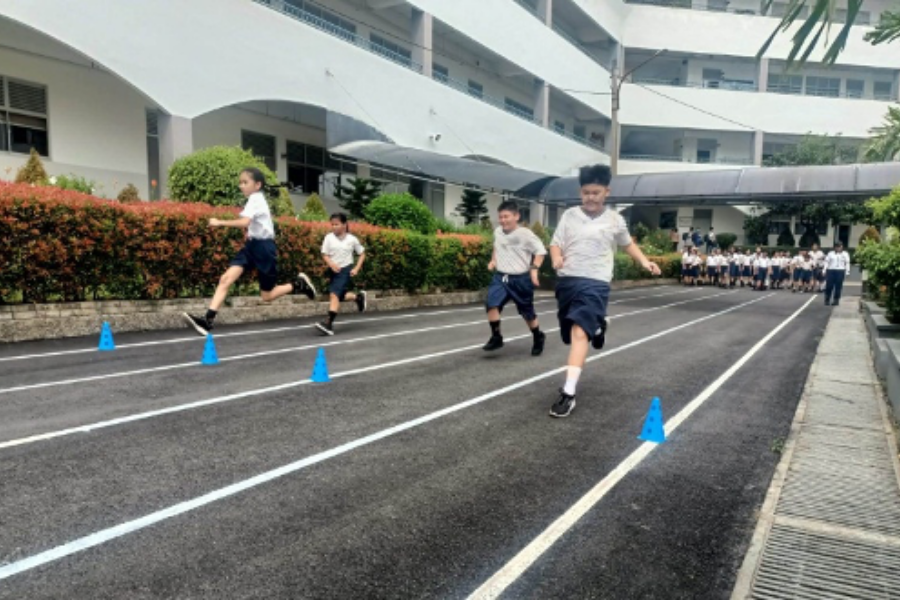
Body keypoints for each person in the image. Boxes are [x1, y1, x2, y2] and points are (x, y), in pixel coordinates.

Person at [548, 164, 661, 418]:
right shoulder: (569, 216)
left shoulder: (614, 220)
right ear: (581, 192)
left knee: (579, 333)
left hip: (596, 282)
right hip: (568, 281)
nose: (590, 197)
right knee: (569, 333)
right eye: (586, 192)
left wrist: (645, 262)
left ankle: (568, 392)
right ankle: (598, 326)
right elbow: (556, 244)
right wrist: (556, 258)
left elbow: (628, 244)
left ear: (606, 192)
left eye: (596, 192)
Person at [183, 167, 316, 336]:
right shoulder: (253, 199)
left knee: (267, 296)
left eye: (245, 182)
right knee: (225, 279)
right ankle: (208, 321)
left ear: (258, 184)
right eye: (240, 183)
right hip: (251, 247)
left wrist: (219, 223)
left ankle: (298, 284)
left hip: (264, 249)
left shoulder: (256, 200)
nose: (241, 186)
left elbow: (245, 222)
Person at [483, 201, 548, 355]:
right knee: (491, 304)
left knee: (527, 313)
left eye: (506, 217)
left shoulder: (525, 234)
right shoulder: (498, 231)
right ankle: (496, 336)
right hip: (501, 277)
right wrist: (493, 260)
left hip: (521, 280)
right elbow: (496, 246)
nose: (503, 220)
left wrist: (534, 269)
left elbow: (540, 251)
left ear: (516, 216)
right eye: (500, 217)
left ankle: (538, 336)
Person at [316, 213, 367, 335]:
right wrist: (331, 264)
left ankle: (328, 324)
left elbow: (362, 253)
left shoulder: (352, 239)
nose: (334, 227)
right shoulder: (328, 238)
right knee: (339, 295)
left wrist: (356, 268)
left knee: (334, 295)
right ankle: (358, 298)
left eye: (336, 224)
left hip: (345, 270)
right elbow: (324, 254)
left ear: (344, 225)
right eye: (332, 224)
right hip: (333, 271)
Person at [823, 242, 851, 306]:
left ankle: (836, 300)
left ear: (842, 247)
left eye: (840, 246)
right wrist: (824, 270)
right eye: (837, 247)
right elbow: (827, 262)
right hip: (831, 270)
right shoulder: (830, 254)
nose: (838, 248)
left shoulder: (845, 254)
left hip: (840, 271)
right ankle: (827, 299)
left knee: (838, 286)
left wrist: (847, 271)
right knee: (829, 286)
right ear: (835, 247)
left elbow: (847, 263)